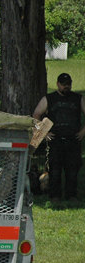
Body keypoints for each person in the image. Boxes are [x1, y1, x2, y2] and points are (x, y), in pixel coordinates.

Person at [33, 73, 85, 202]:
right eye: (63, 84)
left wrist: (83, 132)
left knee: (72, 171)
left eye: (68, 84)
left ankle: (72, 195)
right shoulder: (49, 99)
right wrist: (44, 133)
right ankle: (54, 196)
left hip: (73, 140)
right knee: (54, 170)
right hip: (55, 140)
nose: (66, 87)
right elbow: (36, 115)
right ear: (57, 84)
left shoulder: (78, 98)